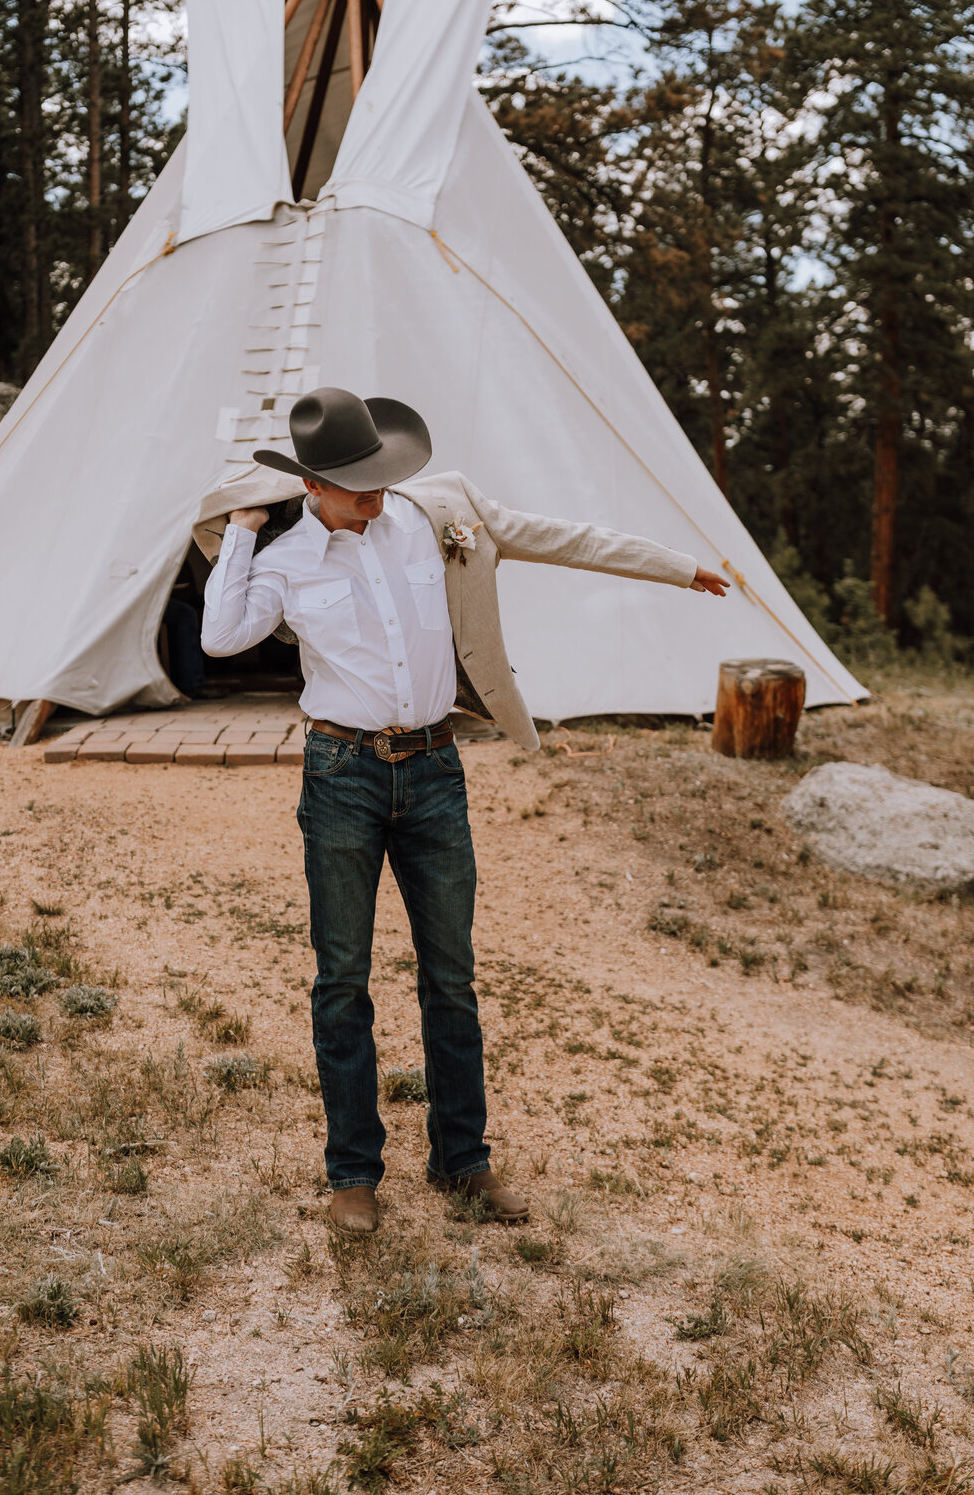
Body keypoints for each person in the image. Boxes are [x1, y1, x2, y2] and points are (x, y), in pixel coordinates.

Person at [200, 388, 728, 1234]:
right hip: (341, 774)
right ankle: (353, 1176)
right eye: (356, 482)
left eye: (381, 475)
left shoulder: (441, 512)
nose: (376, 493)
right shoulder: (285, 559)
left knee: (452, 975)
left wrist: (675, 564)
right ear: (310, 484)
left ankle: (463, 1161)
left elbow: (570, 538)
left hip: (437, 770)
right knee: (343, 981)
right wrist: (242, 531)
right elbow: (220, 638)